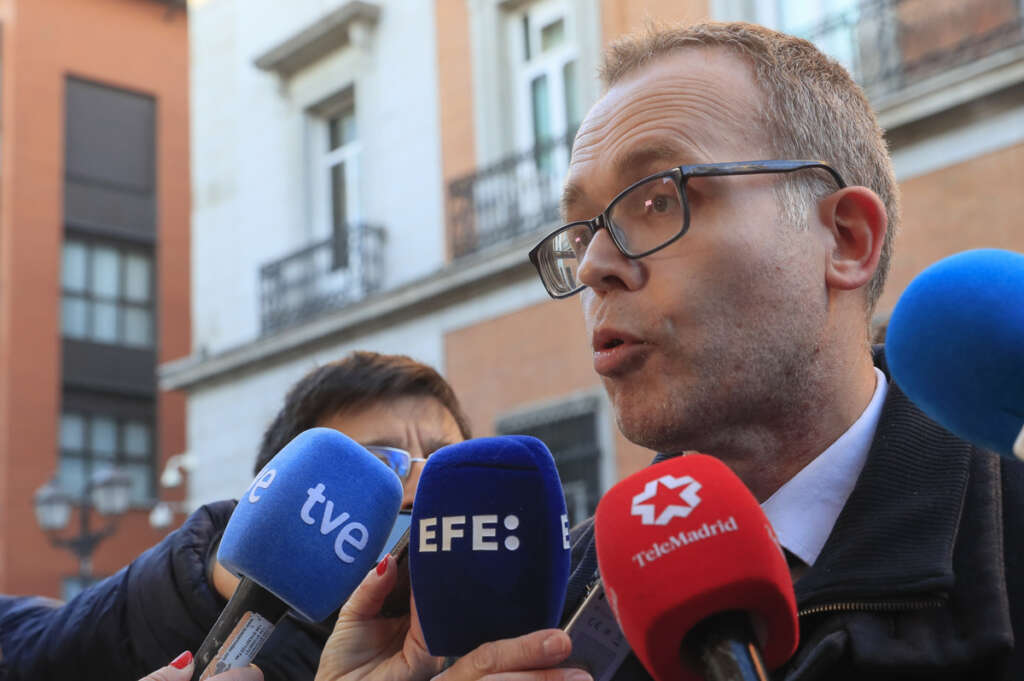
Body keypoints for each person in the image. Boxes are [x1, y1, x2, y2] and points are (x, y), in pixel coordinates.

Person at [310, 20, 1024, 681]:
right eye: (583, 230)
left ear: (845, 240)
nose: (593, 266)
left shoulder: (1003, 537)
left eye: (657, 198)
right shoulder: (551, 601)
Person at [0, 351, 471, 681]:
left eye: (447, 461)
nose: (421, 482)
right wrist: (206, 584)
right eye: (379, 464)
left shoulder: (511, 630)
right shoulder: (187, 586)